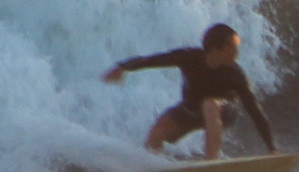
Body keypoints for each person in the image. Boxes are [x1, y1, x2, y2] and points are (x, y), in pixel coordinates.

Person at [103, 23, 277, 159]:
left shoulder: (235, 74)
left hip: (224, 112)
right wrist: (123, 67)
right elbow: (155, 60)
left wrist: (271, 148)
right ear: (215, 49)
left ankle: (212, 166)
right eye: (231, 47)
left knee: (210, 104)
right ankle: (153, 171)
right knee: (158, 130)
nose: (236, 53)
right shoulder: (189, 58)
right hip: (192, 109)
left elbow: (255, 111)